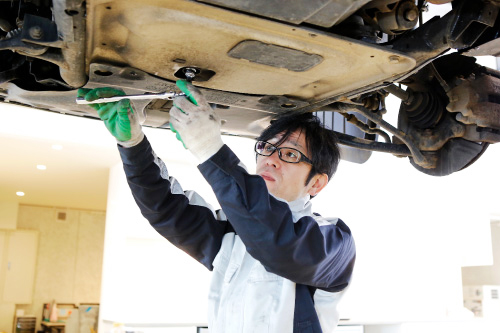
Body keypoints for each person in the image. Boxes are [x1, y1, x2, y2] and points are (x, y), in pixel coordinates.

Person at [78, 82, 356, 333]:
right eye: (266, 148)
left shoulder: (333, 242)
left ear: (317, 184)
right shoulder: (233, 231)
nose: (270, 159)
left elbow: (277, 243)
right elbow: (167, 210)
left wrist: (208, 147)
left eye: (290, 153)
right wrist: (133, 144)